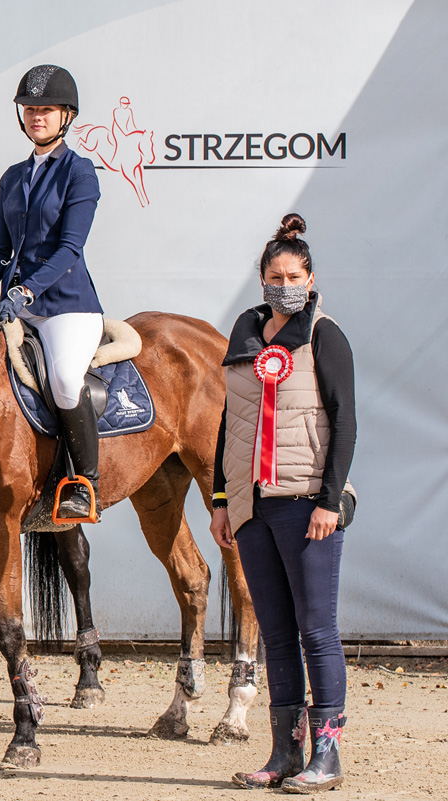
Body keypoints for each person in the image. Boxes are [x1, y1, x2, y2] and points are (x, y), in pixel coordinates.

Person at [210, 213, 356, 793]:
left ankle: (328, 754)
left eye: (294, 274)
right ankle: (283, 753)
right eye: (275, 274)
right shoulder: (245, 332)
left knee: (316, 629)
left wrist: (329, 500)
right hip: (251, 509)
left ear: (310, 276)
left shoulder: (326, 334)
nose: (284, 283)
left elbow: (345, 423)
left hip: (307, 505)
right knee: (275, 633)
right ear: (262, 277)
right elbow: (231, 420)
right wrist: (223, 498)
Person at [0, 64, 103, 519]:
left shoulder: (80, 174)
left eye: (45, 109)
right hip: (16, 308)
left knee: (65, 379)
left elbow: (69, 250)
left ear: (66, 115)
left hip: (67, 308)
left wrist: (23, 291)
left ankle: (85, 482)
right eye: (28, 109)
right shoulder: (11, 177)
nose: (35, 117)